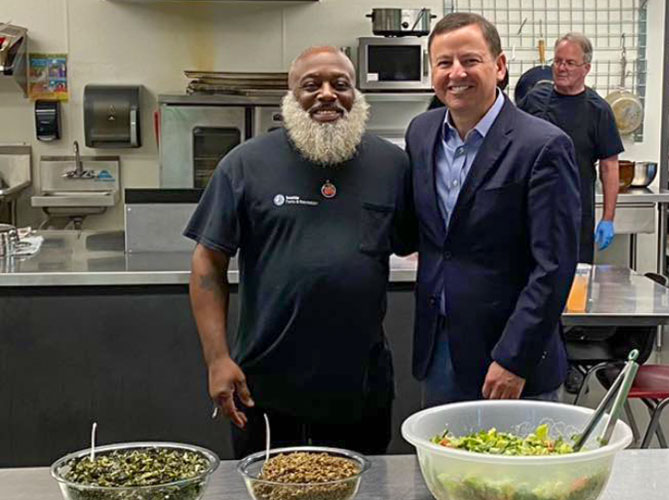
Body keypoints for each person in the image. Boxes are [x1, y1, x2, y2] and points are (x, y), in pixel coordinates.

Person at [184, 46, 415, 458]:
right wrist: (217, 359)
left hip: (360, 388)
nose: (327, 94)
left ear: (356, 95)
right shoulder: (245, 164)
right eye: (312, 85)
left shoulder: (392, 165)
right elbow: (208, 262)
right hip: (265, 388)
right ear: (291, 98)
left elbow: (414, 245)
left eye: (340, 84)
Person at [406, 12, 581, 406]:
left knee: (520, 468)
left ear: (499, 66)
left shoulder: (542, 146)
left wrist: (514, 358)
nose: (456, 73)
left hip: (510, 359)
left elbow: (553, 267)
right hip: (440, 352)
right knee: (443, 468)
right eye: (444, 63)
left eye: (470, 60)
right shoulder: (421, 132)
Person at [519, 33, 624, 264]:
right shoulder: (533, 100)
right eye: (557, 61)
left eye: (569, 63)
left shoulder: (599, 110)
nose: (561, 68)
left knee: (575, 283)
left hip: (575, 214)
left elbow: (609, 167)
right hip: (532, 210)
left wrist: (608, 218)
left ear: (586, 68)